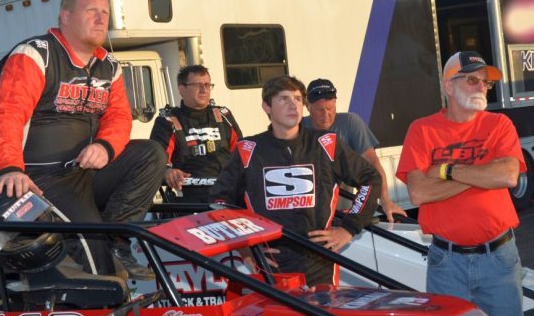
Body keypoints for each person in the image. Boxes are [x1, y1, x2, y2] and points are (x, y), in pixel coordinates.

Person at [0, 0, 165, 279]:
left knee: (151, 154)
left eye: (105, 13)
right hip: (37, 179)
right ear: (66, 16)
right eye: (91, 11)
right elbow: (9, 113)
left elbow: (120, 117)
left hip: (85, 173)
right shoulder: (35, 54)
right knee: (90, 242)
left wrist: (106, 147)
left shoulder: (110, 66)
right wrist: (9, 168)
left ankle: (116, 238)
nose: (101, 19)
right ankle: (102, 303)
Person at [396, 51, 526, 316]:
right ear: (448, 87)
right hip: (447, 263)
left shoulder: (499, 125)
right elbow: (418, 193)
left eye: (484, 82)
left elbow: (506, 175)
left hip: (499, 259)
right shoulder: (422, 129)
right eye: (471, 79)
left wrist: (446, 171)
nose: (481, 86)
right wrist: (483, 175)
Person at [210, 75, 381, 286]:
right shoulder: (249, 149)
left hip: (319, 257)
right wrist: (246, 247)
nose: (293, 105)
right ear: (266, 106)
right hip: (270, 259)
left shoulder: (325, 143)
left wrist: (349, 228)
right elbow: (220, 202)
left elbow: (371, 178)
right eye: (284, 99)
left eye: (298, 99)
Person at [303, 78, 407, 222]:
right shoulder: (298, 128)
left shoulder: (350, 123)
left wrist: (385, 201)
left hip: (340, 207)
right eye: (320, 110)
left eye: (330, 108)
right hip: (307, 208)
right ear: (308, 106)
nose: (326, 114)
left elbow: (372, 162)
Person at [150, 65, 242, 203]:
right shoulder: (168, 121)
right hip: (191, 200)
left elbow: (242, 153)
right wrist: (168, 172)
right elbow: (157, 161)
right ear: (182, 89)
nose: (204, 90)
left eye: (207, 84)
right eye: (198, 85)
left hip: (229, 193)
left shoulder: (223, 115)